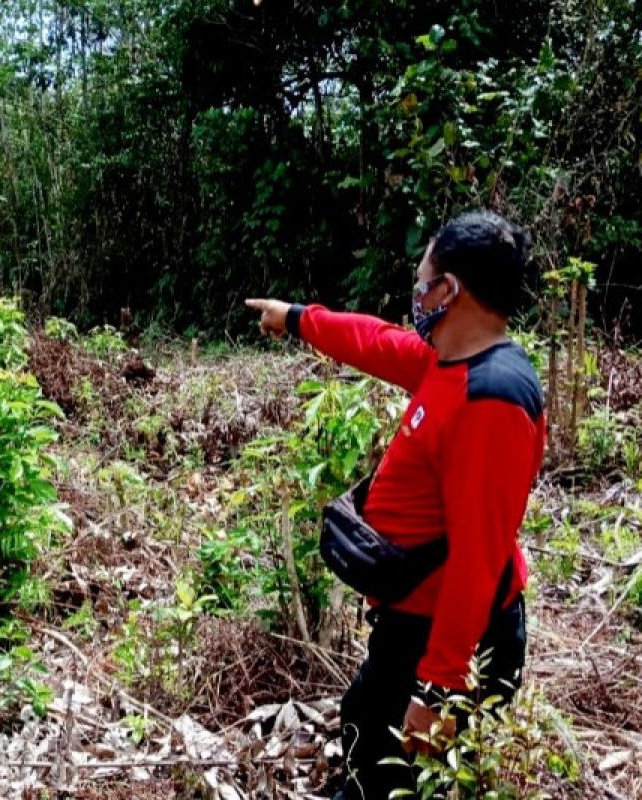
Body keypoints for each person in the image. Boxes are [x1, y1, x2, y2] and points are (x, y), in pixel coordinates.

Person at [247, 210, 546, 800]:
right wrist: (299, 319)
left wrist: (435, 692)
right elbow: (376, 341)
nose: (416, 294)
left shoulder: (492, 400)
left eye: (421, 282)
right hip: (411, 625)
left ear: (449, 290)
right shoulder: (447, 360)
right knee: (367, 739)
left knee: (397, 779)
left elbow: (477, 563)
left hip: (449, 642)